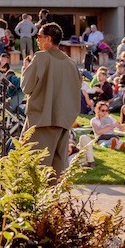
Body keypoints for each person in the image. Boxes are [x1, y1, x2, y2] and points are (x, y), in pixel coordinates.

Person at [20, 22, 82, 176]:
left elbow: (26, 87)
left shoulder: (41, 58)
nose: (37, 40)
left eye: (39, 37)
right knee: (56, 173)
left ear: (48, 39)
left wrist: (24, 71)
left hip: (41, 121)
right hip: (63, 123)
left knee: (33, 170)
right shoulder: (71, 64)